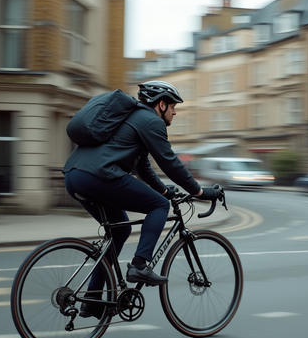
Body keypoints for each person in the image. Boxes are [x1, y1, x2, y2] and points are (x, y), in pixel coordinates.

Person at [62, 80, 222, 318]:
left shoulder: (132, 119)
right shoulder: (151, 121)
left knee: (119, 232)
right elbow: (170, 162)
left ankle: (92, 299)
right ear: (161, 104)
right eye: (173, 106)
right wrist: (199, 192)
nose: (175, 111)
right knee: (158, 206)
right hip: (99, 176)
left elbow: (143, 167)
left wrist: (165, 190)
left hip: (74, 176)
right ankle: (139, 265)